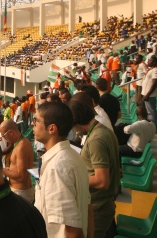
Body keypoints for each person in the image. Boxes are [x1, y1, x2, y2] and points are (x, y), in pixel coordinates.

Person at [33, 102, 90, 238]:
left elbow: (73, 231)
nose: (32, 124)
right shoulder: (73, 156)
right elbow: (88, 210)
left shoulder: (56, 167)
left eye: (36, 120)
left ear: (52, 128)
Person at [70, 92, 120, 238]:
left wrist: (73, 177)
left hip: (99, 207)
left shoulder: (96, 139)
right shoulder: (102, 131)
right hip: (101, 205)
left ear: (77, 122)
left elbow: (102, 181)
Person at [0, 119, 35, 203]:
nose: (4, 138)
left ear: (11, 132)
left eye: (3, 136)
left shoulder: (21, 148)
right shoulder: (22, 143)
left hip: (20, 193)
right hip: (21, 192)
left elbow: (21, 176)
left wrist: (1, 169)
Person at [141, 54, 157, 134]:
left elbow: (154, 83)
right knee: (149, 112)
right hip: (146, 94)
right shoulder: (151, 69)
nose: (148, 61)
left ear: (154, 62)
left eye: (150, 60)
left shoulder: (156, 71)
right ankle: (152, 127)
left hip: (150, 95)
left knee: (151, 112)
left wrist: (147, 94)